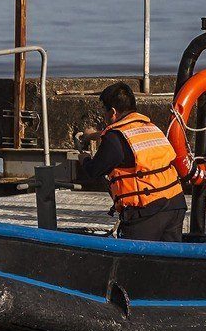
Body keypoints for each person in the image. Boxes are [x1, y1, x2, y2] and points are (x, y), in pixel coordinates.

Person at [79, 82, 188, 242]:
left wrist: (85, 159)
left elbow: (94, 170)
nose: (104, 115)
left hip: (146, 211)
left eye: (105, 111)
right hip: (175, 204)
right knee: (168, 259)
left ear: (113, 112)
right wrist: (93, 135)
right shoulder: (150, 127)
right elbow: (124, 144)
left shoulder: (114, 138)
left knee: (135, 260)